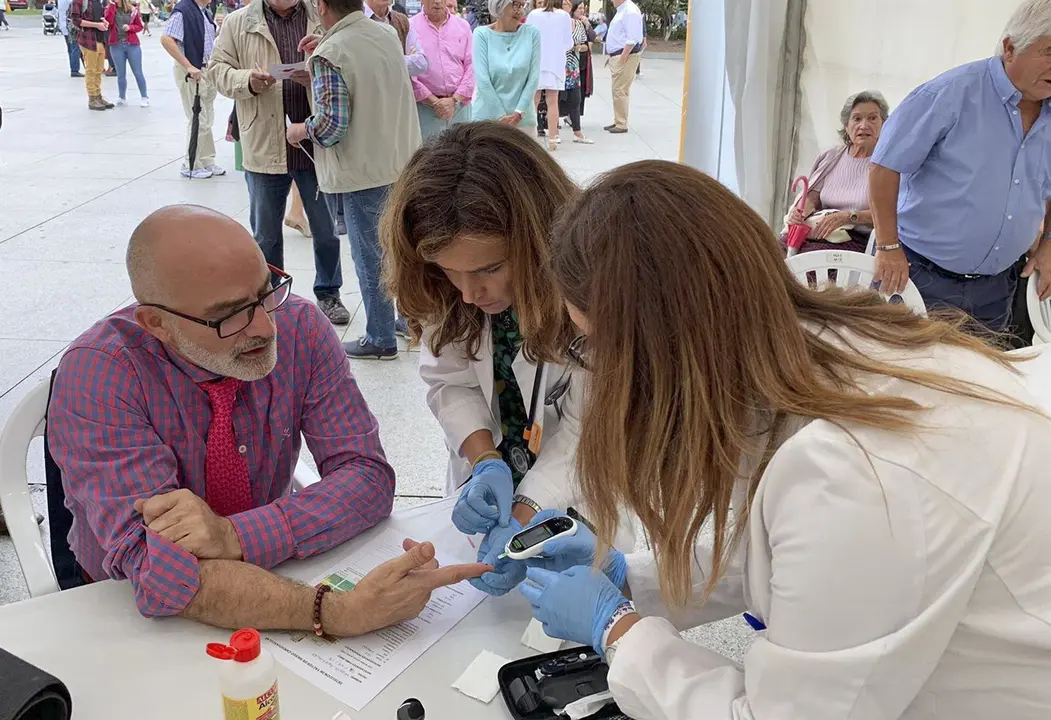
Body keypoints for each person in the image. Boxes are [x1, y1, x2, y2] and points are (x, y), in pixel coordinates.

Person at [518, 159, 1051, 720]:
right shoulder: (817, 343)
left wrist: (619, 633)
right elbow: (792, 557)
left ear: (662, 347)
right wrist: (634, 578)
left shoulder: (856, 474)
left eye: (599, 348)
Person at [48, 205, 490, 630]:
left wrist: (233, 536)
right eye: (228, 315)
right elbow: (161, 575)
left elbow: (368, 477)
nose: (263, 326)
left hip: (272, 570)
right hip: (120, 612)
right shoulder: (101, 372)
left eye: (265, 291)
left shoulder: (298, 325)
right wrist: (336, 612)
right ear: (156, 324)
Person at [381, 122, 625, 597]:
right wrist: (485, 459)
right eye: (449, 271)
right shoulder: (449, 291)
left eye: (490, 269)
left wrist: (526, 511)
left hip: (576, 497)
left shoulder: (591, 299)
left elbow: (584, 430)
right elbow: (450, 381)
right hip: (490, 490)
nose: (469, 293)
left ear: (539, 243)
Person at [870, 0, 1051, 333]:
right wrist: (887, 246)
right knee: (900, 376)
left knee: (974, 381)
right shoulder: (950, 93)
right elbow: (884, 166)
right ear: (1010, 48)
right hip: (918, 275)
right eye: (1050, 52)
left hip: (996, 289)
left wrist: (1048, 243)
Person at [286, 0, 421, 360]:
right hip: (401, 159)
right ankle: (406, 320)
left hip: (362, 171)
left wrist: (299, 129)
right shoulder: (388, 33)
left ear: (322, 6)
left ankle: (379, 337)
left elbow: (330, 127)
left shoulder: (331, 53)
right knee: (400, 248)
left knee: (370, 257)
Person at [208, 0, 352, 327]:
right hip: (263, 139)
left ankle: (329, 293)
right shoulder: (238, 22)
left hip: (314, 140)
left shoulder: (323, 14)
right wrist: (247, 80)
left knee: (326, 229)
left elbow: (348, 64)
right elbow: (216, 70)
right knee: (265, 234)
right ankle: (272, 297)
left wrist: (314, 76)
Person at [784, 91, 889, 255]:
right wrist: (800, 213)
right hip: (815, 230)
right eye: (857, 118)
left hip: (853, 240)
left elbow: (889, 215)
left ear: (884, 124)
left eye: (872, 118)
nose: (864, 125)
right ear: (847, 126)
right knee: (767, 255)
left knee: (810, 269)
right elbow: (812, 196)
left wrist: (848, 217)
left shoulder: (888, 166)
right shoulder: (831, 157)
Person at [161, 0, 225, 178]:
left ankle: (206, 160)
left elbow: (206, 40)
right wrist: (188, 66)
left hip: (205, 70)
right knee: (198, 119)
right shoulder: (183, 11)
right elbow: (166, 39)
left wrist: (219, 27)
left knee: (207, 118)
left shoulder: (203, 11)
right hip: (192, 71)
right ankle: (191, 164)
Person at [409, 0, 474, 139]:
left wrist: (454, 100)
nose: (437, 1)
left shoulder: (463, 26)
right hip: (425, 109)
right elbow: (409, 72)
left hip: (459, 108)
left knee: (463, 154)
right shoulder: (410, 27)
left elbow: (472, 66)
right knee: (427, 156)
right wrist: (434, 102)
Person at [471, 0, 540, 127]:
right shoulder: (481, 34)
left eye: (522, 5)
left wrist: (519, 112)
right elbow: (482, 80)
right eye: (515, 4)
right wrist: (500, 116)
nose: (520, 11)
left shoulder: (532, 33)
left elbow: (534, 77)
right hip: (487, 119)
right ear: (499, 6)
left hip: (522, 119)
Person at [526, 0, 571, 150]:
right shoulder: (564, 16)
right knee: (553, 101)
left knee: (533, 101)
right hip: (555, 63)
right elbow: (568, 43)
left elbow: (527, 37)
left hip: (536, 61)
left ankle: (528, 138)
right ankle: (553, 139)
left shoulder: (533, 14)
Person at [603, 0, 641, 133]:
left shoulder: (630, 11)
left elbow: (633, 37)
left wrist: (623, 56)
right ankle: (618, 120)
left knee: (620, 90)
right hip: (619, 55)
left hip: (625, 56)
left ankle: (621, 123)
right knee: (618, 90)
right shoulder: (623, 10)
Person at [364, 0, 429, 78]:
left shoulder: (402, 21)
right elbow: (363, 66)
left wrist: (384, 63)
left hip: (400, 89)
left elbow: (421, 63)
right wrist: (405, 59)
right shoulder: (356, 21)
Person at [557, 0, 591, 143]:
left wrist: (578, 47)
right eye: (564, 4)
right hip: (558, 66)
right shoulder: (556, 24)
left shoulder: (578, 24)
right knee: (555, 99)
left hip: (573, 68)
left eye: (569, 4)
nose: (567, 7)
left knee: (575, 99)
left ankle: (577, 133)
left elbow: (585, 45)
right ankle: (554, 131)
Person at [72, 0, 116, 110]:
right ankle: (92, 98)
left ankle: (98, 95)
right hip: (88, 39)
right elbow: (76, 21)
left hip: (100, 38)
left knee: (99, 69)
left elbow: (99, 17)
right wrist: (96, 25)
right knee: (91, 70)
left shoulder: (98, 1)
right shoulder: (80, 1)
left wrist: (103, 21)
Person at [105, 0, 150, 107]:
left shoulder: (132, 10)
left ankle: (144, 96)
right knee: (120, 74)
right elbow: (108, 22)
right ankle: (122, 97)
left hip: (132, 45)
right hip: (116, 45)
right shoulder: (109, 8)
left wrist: (130, 27)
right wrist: (111, 5)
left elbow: (139, 26)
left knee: (138, 72)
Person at [59, 0, 85, 76]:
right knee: (75, 48)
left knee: (71, 49)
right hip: (71, 26)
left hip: (65, 25)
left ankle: (74, 69)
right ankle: (74, 69)